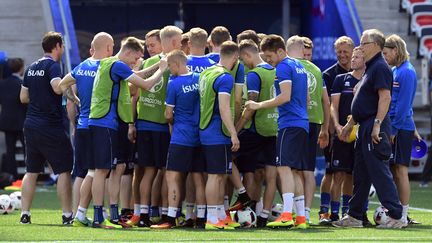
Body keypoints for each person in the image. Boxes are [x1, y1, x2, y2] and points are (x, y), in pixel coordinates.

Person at [88, 36, 167, 228]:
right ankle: (98, 215)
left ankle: (114, 214)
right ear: (129, 52)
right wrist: (162, 69)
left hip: (112, 123)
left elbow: (138, 74)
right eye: (136, 57)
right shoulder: (117, 65)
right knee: (102, 170)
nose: (136, 62)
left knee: (118, 168)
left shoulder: (115, 65)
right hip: (104, 122)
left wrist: (154, 67)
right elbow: (146, 85)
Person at [334, 29, 406, 229]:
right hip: (363, 126)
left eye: (363, 43)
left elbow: (385, 97)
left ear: (375, 45)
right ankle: (355, 215)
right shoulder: (371, 67)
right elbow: (363, 101)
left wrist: (376, 125)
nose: (361, 46)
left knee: (379, 172)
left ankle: (396, 215)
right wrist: (349, 125)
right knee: (361, 174)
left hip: (374, 126)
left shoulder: (380, 67)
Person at [246, 34, 309, 229]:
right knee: (294, 172)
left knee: (283, 169)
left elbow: (285, 97)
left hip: (289, 124)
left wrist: (258, 105)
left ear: (280, 51)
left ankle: (287, 214)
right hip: (302, 123)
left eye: (269, 55)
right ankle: (300, 218)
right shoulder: (300, 66)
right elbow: (306, 98)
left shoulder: (283, 66)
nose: (267, 59)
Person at [58, 32, 115, 227]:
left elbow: (61, 85)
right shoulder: (107, 66)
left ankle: (78, 213)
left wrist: (74, 99)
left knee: (83, 173)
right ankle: (89, 212)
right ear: (107, 48)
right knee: (97, 172)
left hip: (82, 124)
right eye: (112, 46)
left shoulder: (81, 66)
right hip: (98, 125)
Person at [129, 25, 182, 227]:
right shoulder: (174, 65)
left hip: (145, 125)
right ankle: (166, 214)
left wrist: (132, 123)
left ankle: (143, 214)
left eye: (152, 44)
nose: (150, 48)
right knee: (165, 173)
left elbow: (133, 90)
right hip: (163, 126)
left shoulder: (150, 63)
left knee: (148, 171)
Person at [19, 32, 73, 225]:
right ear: (57, 46)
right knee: (64, 170)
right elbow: (58, 88)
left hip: (31, 125)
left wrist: (39, 97)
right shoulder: (52, 66)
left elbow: (23, 98)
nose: (63, 49)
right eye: (63, 45)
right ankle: (67, 215)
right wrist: (71, 78)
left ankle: (25, 214)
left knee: (31, 171)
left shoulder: (31, 67)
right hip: (49, 126)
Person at [150, 50, 205, 229]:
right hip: (199, 136)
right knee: (198, 177)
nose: (169, 70)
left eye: (170, 66)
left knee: (172, 177)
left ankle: (171, 218)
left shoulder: (174, 83)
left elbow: (167, 114)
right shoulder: (199, 79)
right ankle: (202, 218)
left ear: (176, 64)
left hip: (181, 136)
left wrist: (172, 120)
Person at [287, 35, 330, 225]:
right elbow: (325, 101)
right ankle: (305, 211)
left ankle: (299, 213)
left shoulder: (292, 67)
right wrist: (325, 128)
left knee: (294, 169)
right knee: (308, 170)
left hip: (298, 121)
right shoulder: (317, 70)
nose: (307, 56)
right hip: (314, 122)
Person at [236, 39, 278, 227]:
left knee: (225, 157)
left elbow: (250, 106)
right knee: (270, 175)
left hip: (254, 129)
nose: (243, 63)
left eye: (242, 59)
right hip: (273, 128)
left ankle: (244, 198)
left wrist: (235, 130)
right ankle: (262, 216)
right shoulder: (275, 70)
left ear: (247, 55)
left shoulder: (254, 75)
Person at [199, 41, 240, 230]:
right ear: (235, 57)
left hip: (206, 130)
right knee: (215, 177)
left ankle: (219, 216)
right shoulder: (225, 77)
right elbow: (224, 108)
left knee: (220, 176)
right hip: (217, 132)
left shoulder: (207, 73)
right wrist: (234, 133)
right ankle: (212, 219)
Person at [383, 34, 421, 224]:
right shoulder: (398, 70)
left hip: (399, 128)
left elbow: (404, 105)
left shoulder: (407, 72)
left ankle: (403, 215)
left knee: (400, 171)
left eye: (386, 53)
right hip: (399, 126)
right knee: (395, 170)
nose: (385, 57)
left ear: (395, 50)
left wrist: (394, 130)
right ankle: (399, 212)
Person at [319, 36, 354, 224]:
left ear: (352, 50)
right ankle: (325, 212)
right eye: (339, 52)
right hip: (335, 132)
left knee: (350, 173)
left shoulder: (361, 73)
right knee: (332, 172)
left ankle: (346, 211)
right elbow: (328, 105)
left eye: (345, 51)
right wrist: (329, 130)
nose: (342, 55)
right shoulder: (329, 74)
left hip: (354, 133)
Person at [329, 47, 365, 222]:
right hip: (342, 134)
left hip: (360, 134)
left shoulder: (368, 81)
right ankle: (333, 213)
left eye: (356, 57)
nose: (352, 59)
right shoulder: (340, 79)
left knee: (355, 175)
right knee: (338, 174)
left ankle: (348, 212)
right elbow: (333, 106)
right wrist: (336, 126)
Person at [0, 58, 26, 180]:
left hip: (7, 122)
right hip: (21, 121)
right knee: (27, 150)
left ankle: (12, 178)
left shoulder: (2, 84)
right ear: (21, 69)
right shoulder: (22, 84)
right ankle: (29, 176)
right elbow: (26, 102)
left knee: (10, 151)